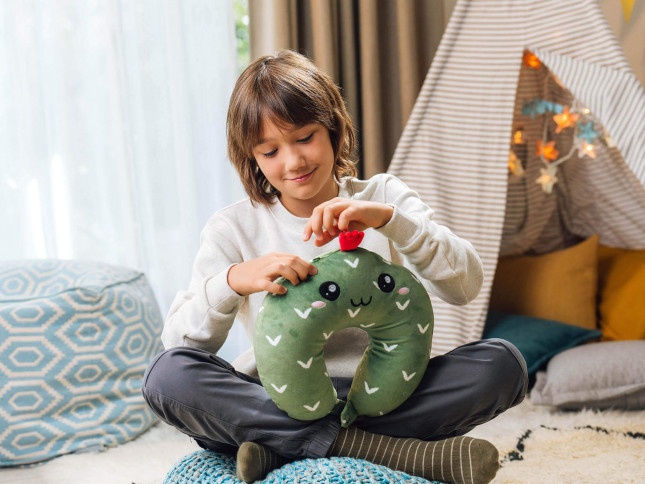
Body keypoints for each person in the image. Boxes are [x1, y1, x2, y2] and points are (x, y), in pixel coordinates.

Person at [142, 49, 527, 484]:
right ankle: (385, 450)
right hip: (275, 400)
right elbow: (180, 344)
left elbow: (464, 285)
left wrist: (391, 221)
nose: (294, 162)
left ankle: (281, 449)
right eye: (270, 150)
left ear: (333, 128)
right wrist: (232, 281)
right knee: (165, 376)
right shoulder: (233, 228)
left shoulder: (383, 195)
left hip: (389, 395)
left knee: (503, 363)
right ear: (252, 158)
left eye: (305, 137)